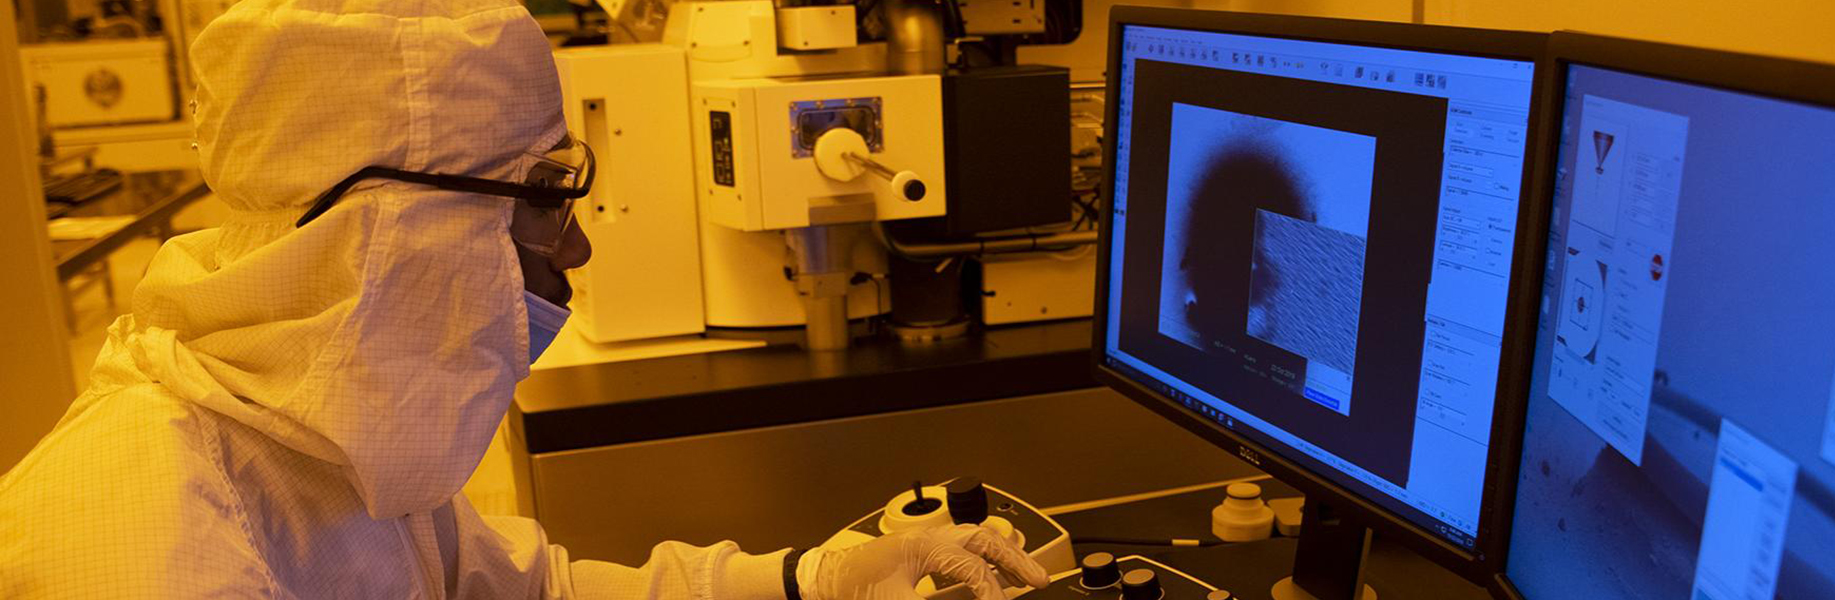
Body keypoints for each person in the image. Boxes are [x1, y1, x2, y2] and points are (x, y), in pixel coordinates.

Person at [0, 1, 1049, 598]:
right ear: (399, 230)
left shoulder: (314, 439)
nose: (579, 240)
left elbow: (534, 594)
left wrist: (818, 577)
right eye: (547, 198)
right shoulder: (142, 547)